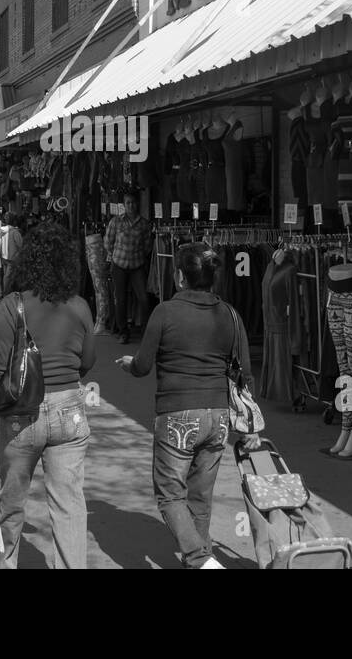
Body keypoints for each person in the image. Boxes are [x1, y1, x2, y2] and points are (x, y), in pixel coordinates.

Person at [0, 222, 97, 569]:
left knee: (11, 501)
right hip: (70, 411)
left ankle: (5, 562)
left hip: (22, 413)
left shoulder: (12, 304)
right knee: (69, 505)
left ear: (28, 261)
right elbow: (88, 361)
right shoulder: (79, 306)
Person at [117, 242, 260, 569]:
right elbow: (245, 374)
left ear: (180, 276)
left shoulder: (164, 311)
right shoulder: (229, 314)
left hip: (178, 414)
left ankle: (200, 560)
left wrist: (129, 364)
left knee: (170, 496)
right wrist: (250, 427)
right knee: (200, 497)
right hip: (219, 417)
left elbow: (142, 365)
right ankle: (200, 560)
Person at [105, 190, 154, 344]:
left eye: (133, 202)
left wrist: (138, 255)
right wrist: (115, 255)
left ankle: (146, 331)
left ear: (137, 204)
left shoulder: (144, 224)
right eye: (128, 203)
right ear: (124, 205)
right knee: (120, 299)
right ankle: (123, 331)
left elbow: (147, 245)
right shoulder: (116, 221)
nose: (131, 206)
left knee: (144, 299)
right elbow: (108, 242)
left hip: (137, 265)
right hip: (119, 264)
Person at [0, 213, 24, 296]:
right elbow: (20, 245)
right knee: (8, 277)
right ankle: (5, 294)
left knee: (5, 276)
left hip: (4, 257)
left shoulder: (2, 230)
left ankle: (4, 292)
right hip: (12, 258)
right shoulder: (15, 232)